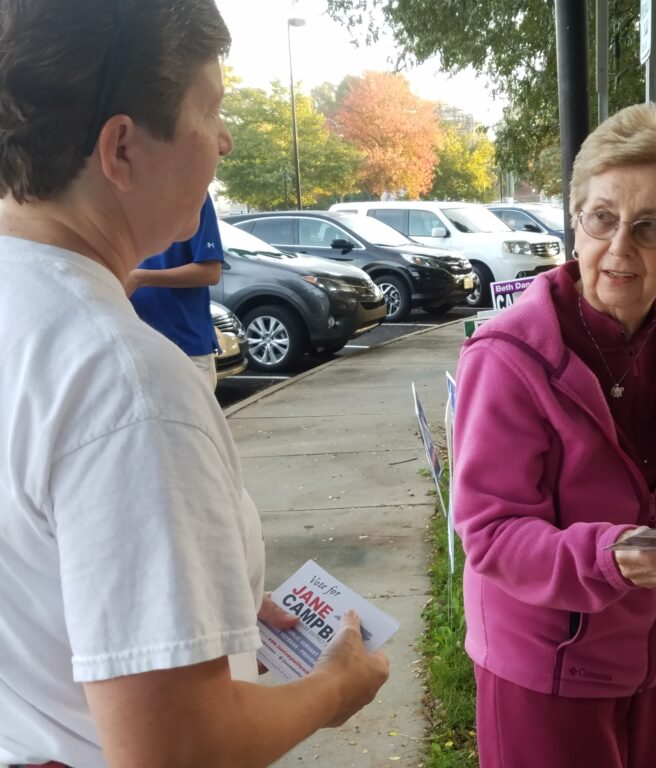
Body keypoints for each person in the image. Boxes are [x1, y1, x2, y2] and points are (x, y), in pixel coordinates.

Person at [0, 2, 388, 766]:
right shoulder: (125, 384)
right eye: (209, 110)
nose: (223, 138)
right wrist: (332, 688)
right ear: (121, 149)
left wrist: (203, 609)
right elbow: (177, 750)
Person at [452, 102, 656, 768]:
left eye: (648, 227)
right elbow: (488, 532)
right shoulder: (508, 357)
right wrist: (608, 557)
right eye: (602, 219)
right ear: (576, 221)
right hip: (546, 669)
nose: (619, 248)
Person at [128, 193, 224, 390]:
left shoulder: (190, 190)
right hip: (133, 348)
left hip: (185, 348)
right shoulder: (111, 196)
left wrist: (140, 278)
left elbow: (210, 273)